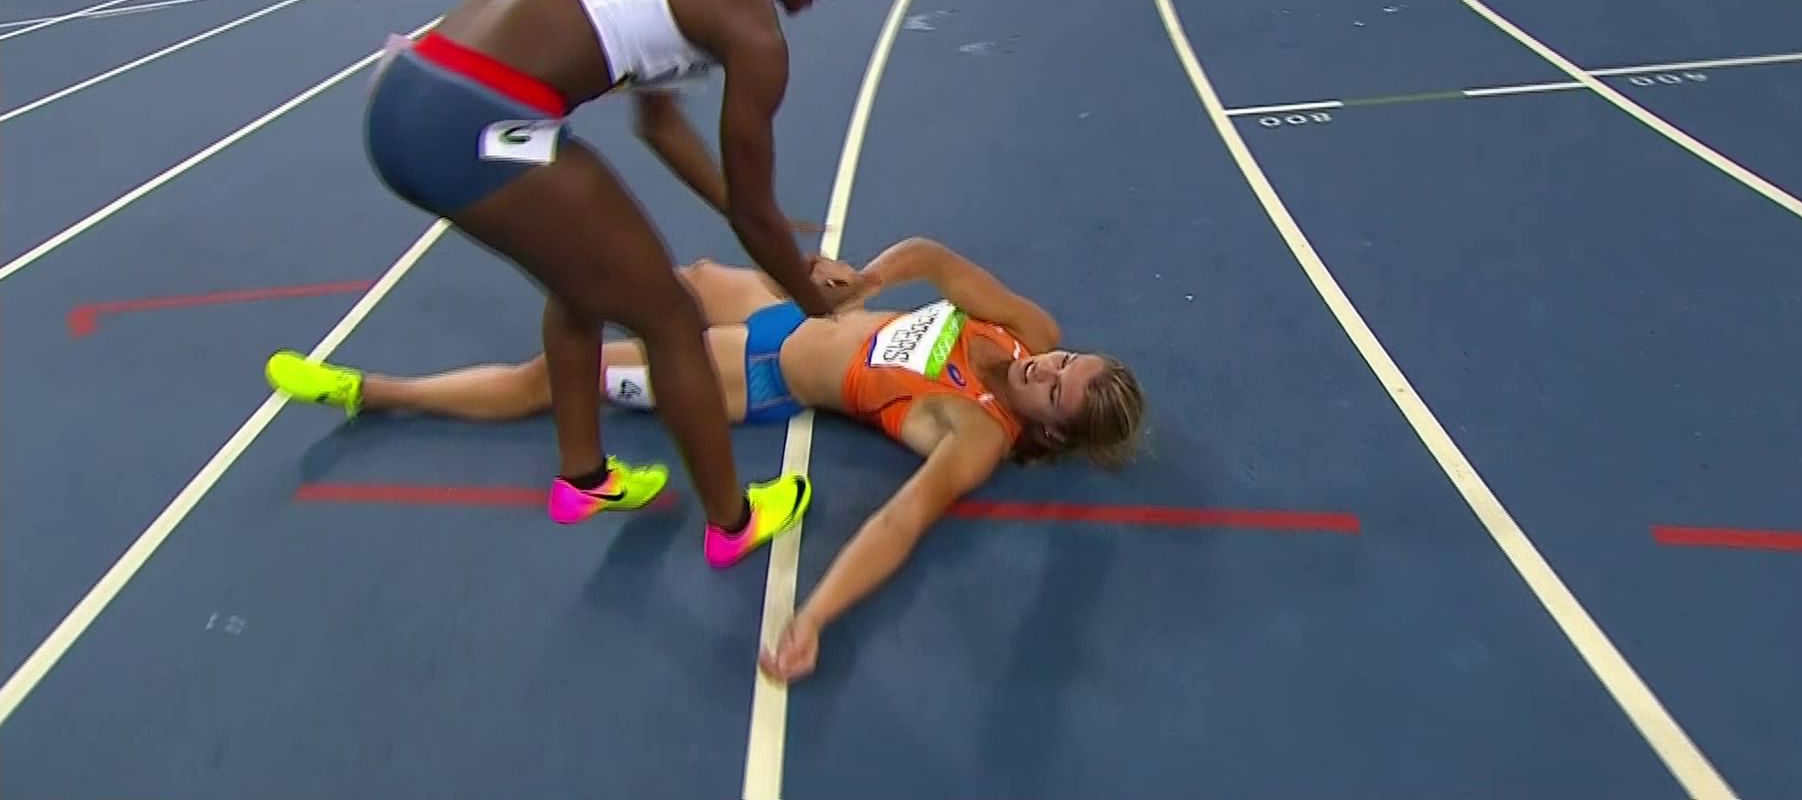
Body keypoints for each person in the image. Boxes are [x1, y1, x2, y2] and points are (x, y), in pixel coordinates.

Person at [355, 0, 871, 569]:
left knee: (589, 273)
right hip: (469, 122)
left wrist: (758, 227)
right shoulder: (752, 28)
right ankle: (732, 522)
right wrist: (810, 300)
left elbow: (659, 124)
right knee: (672, 316)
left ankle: (584, 478)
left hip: (411, 86)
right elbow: (754, 211)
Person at [265, 236, 1148, 682]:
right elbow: (931, 257)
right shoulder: (1028, 331)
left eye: (1056, 391)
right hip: (788, 309)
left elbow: (899, 523)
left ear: (1049, 432)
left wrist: (815, 616)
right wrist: (864, 283)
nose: (1048, 368)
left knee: (555, 377)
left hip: (754, 370)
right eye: (1067, 362)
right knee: (662, 275)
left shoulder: (978, 435)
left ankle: (372, 391)